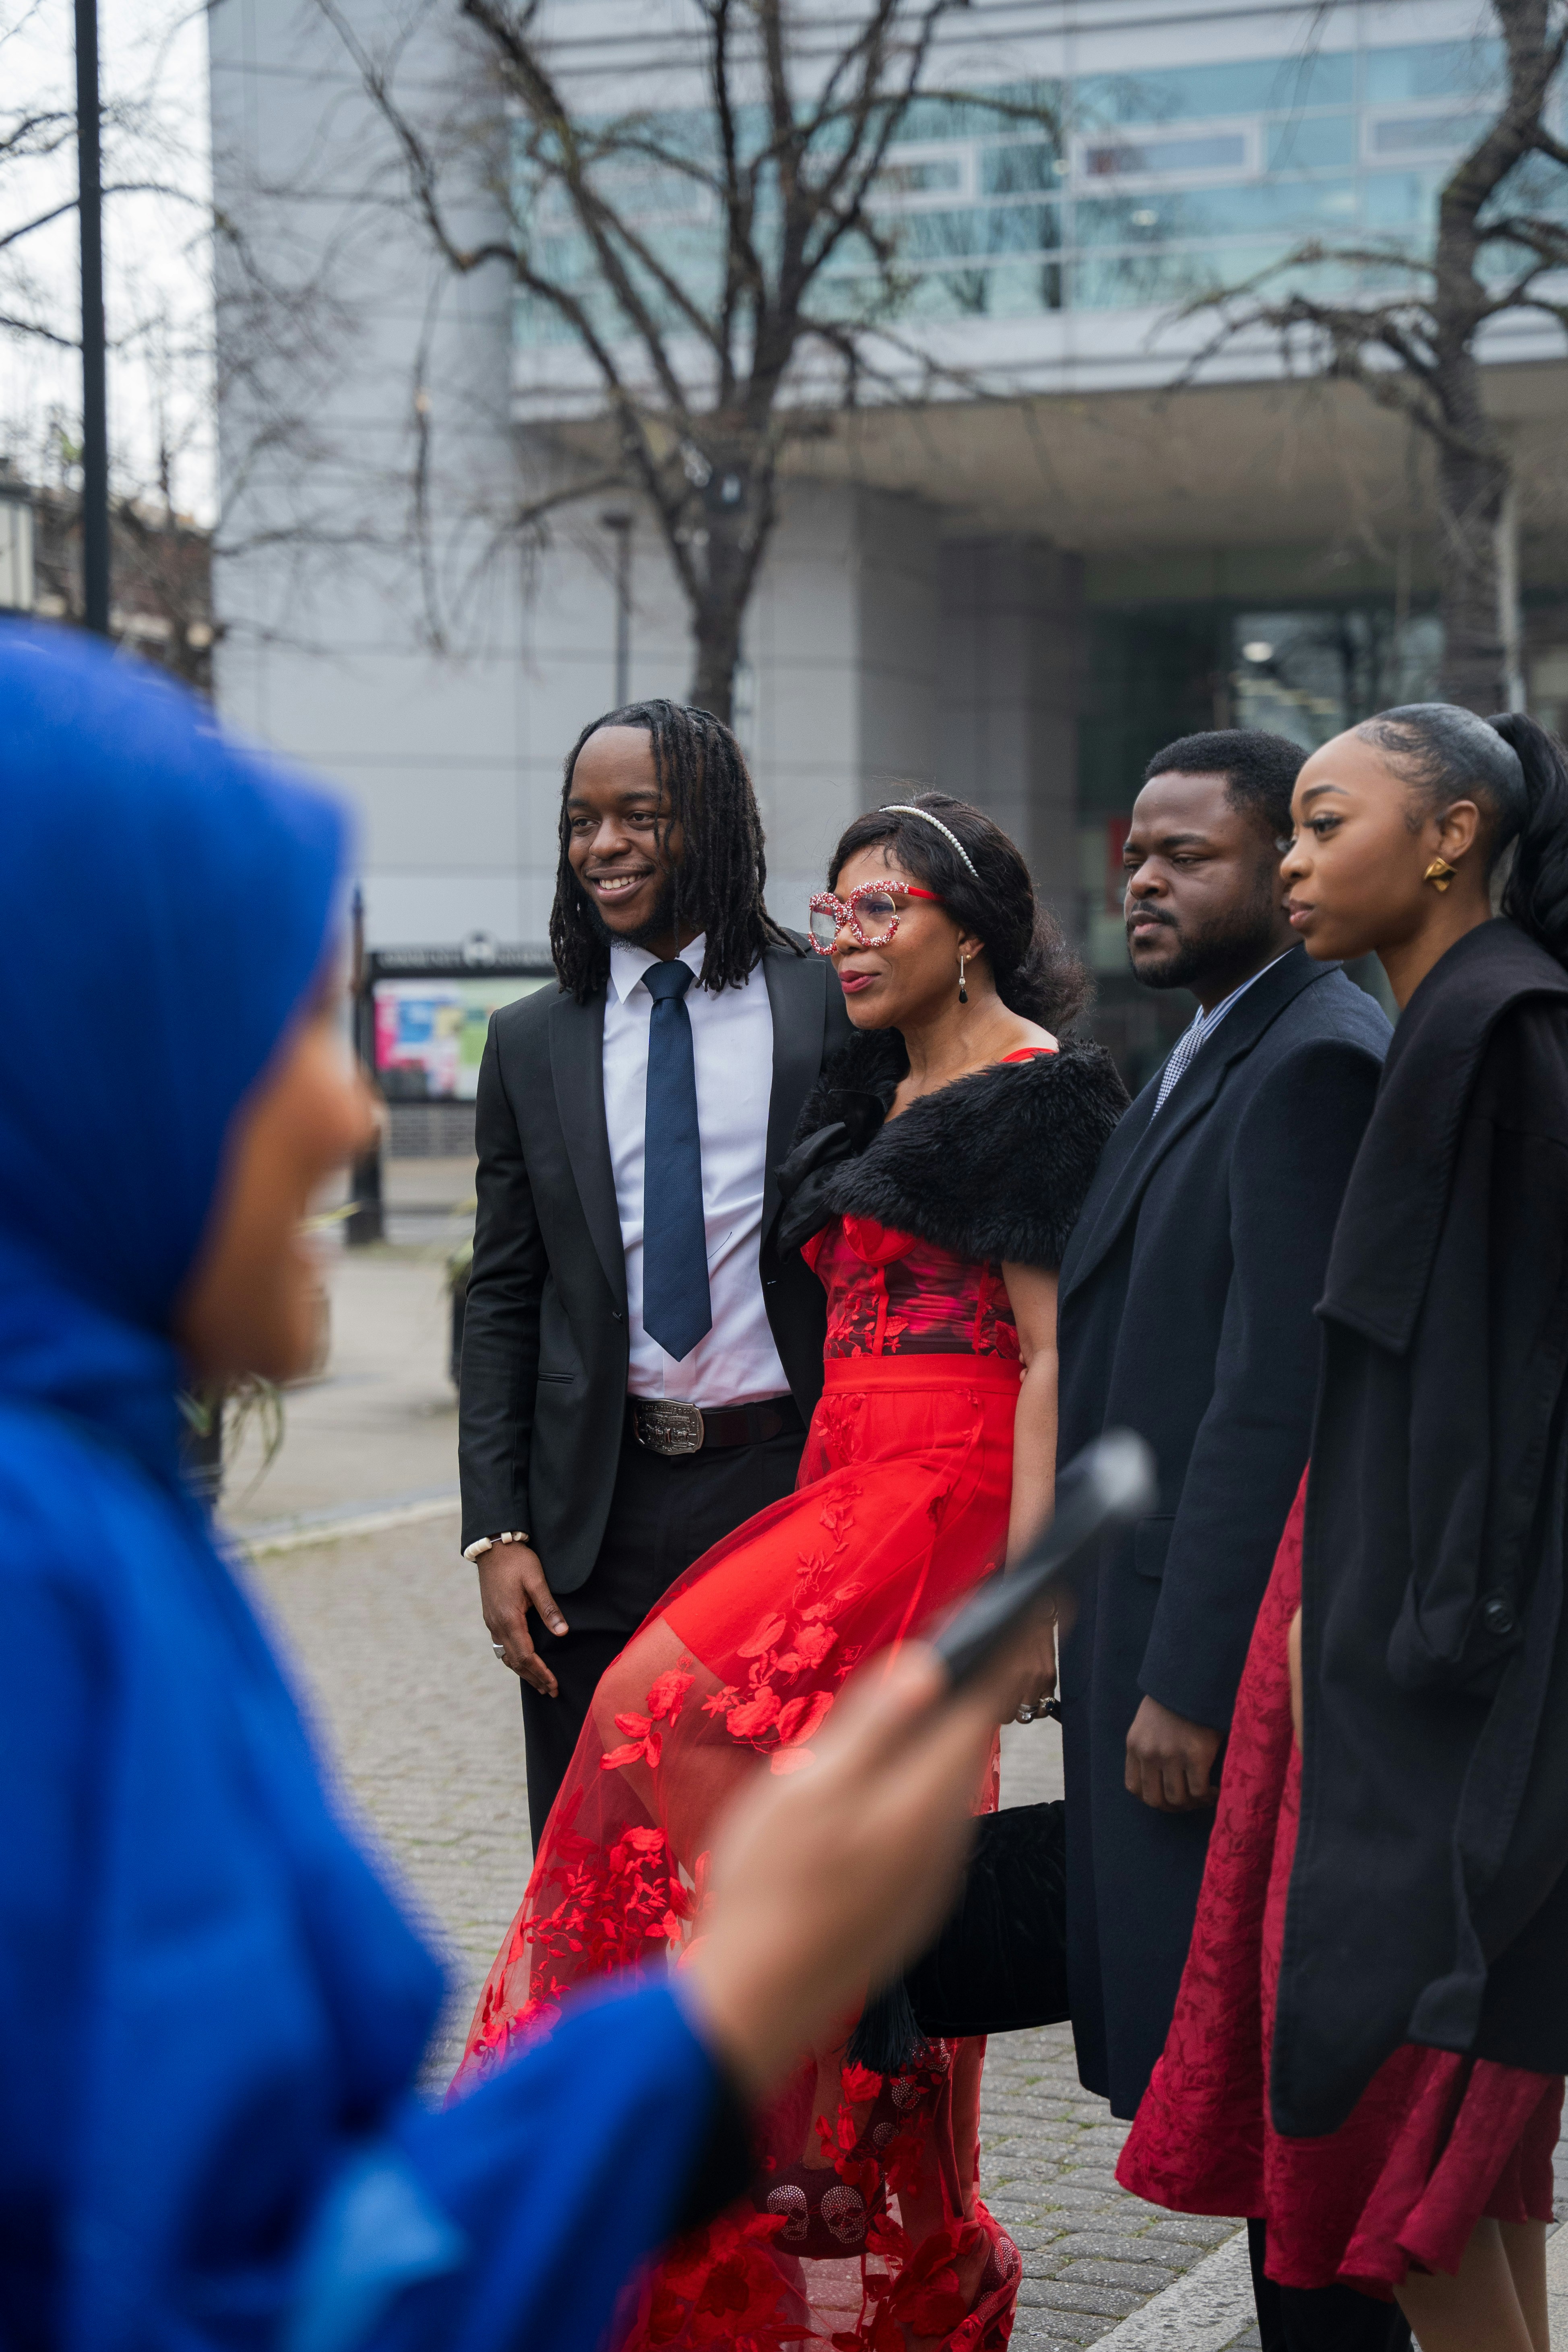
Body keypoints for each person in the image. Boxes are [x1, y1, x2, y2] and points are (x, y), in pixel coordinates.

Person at [0, 627, 1030, 2352]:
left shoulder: (107, 1532)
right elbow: (261, 2294)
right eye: (268, 1041)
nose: (346, 1119)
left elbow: (290, 2239)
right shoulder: (45, 1592)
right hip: (595, 1518)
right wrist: (706, 2030)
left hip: (795, 1512)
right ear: (89, 1075)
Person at [453, 792, 1129, 2352]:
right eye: (836, 914)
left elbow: (1053, 1359)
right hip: (844, 1478)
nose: (849, 939)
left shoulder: (1037, 1093)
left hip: (944, 1501)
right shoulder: (868, 1088)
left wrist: (1032, 1597)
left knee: (651, 1725)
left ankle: (669, 2164)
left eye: (881, 909)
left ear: (969, 929)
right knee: (811, 1853)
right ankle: (774, 2237)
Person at [1120, 705, 1568, 2352]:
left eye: (1323, 824)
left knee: (1402, 2145)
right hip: (1400, 1656)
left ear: (1447, 836)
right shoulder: (1450, 1024)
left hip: (1436, 1693)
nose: (1293, 860)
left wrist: (1399, 1647)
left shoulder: (1490, 1038)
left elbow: (1502, 1405)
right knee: (1452, 2167)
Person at [1055, 730, 1394, 2336]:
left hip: (1218, 1668)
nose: (1144, 877)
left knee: (1258, 2096)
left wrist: (1189, 1681)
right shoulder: (1209, 1040)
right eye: (1136, 851)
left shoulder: (1314, 1054)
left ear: (1283, 870)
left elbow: (1273, 1402)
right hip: (1142, 1617)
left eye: (1186, 854)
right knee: (1216, 2094)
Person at [459, 699, 852, 1846]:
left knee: (774, 1846)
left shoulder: (828, 1006)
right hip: (595, 1512)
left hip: (783, 1482)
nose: (604, 845)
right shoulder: (532, 1039)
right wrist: (498, 1529)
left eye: (641, 814)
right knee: (599, 1849)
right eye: (583, 820)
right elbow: (503, 1295)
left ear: (716, 826)